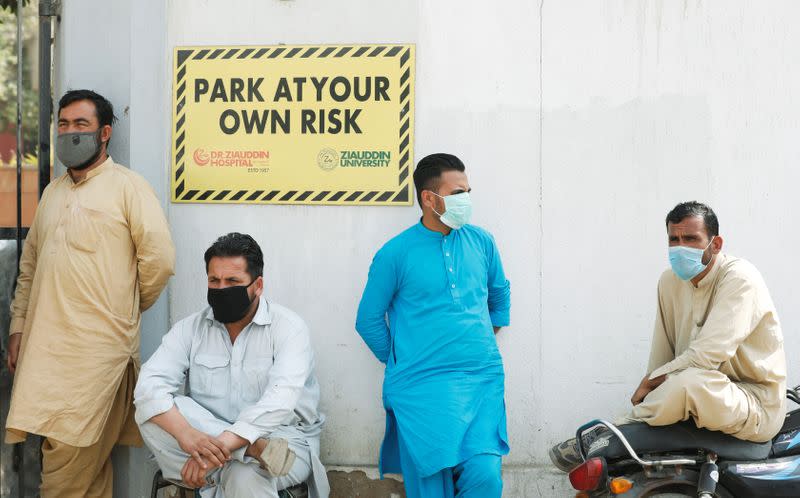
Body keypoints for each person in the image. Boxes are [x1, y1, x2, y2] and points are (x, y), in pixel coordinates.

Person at [4, 89, 175, 497]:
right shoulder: (53, 194)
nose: (69, 132)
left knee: (68, 462)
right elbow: (29, 269)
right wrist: (18, 326)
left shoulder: (128, 187)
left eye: (81, 124)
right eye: (63, 124)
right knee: (82, 469)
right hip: (46, 350)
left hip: (97, 354)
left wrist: (123, 310)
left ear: (105, 133)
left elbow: (160, 261)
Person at [550, 201, 787, 472]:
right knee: (685, 380)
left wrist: (653, 382)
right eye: (673, 239)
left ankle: (613, 431)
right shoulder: (669, 281)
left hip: (753, 403)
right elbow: (663, 354)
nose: (680, 247)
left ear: (716, 244)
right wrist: (654, 382)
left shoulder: (740, 279)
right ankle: (621, 433)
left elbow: (707, 355)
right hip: (695, 391)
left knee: (690, 381)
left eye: (690, 239)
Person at [355, 153, 512, 498]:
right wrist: (401, 360)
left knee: (485, 476)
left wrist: (478, 339)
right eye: (458, 193)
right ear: (429, 198)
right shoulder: (394, 253)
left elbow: (499, 295)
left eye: (468, 191)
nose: (466, 200)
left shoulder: (482, 242)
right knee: (430, 487)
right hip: (420, 389)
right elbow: (367, 319)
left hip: (479, 382)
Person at [135, 232, 329, 498]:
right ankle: (248, 451)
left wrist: (217, 447)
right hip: (214, 445)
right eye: (214, 280)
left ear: (258, 285)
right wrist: (186, 435)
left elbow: (279, 402)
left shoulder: (289, 329)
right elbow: (148, 387)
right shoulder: (191, 328)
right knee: (153, 412)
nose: (222, 289)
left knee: (244, 475)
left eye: (233, 281)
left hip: (282, 443)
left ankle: (223, 465)